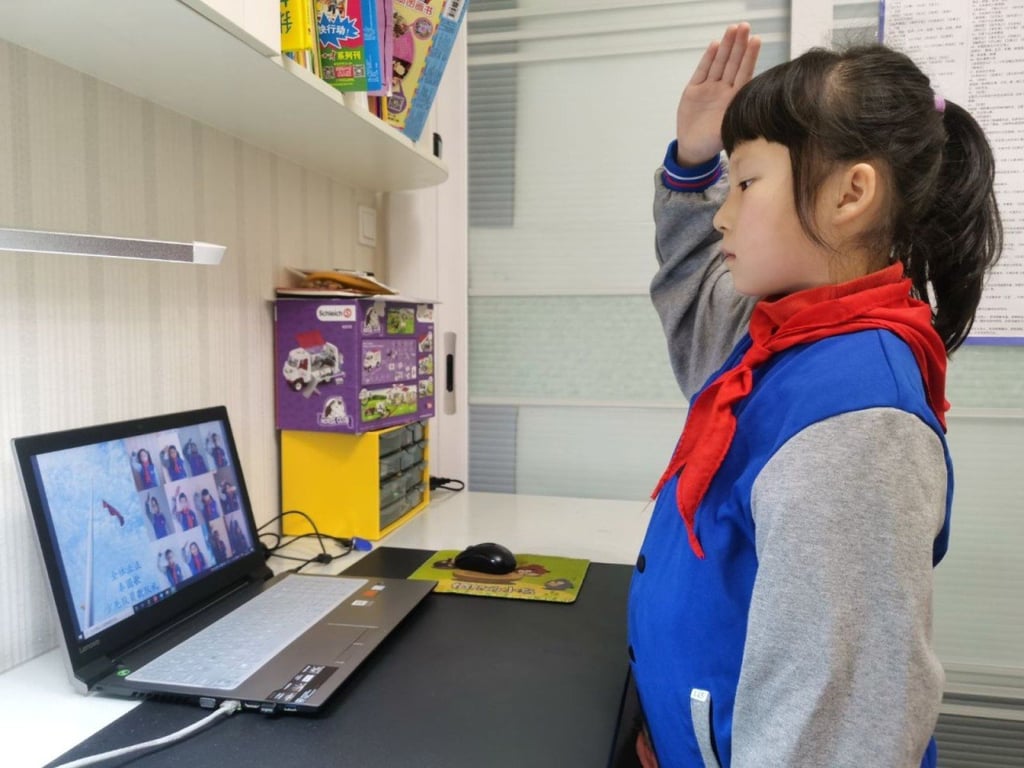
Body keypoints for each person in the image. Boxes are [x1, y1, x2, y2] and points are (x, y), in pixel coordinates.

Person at [627, 23, 1001, 768]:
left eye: (745, 183)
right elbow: (696, 288)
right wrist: (699, 161)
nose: (724, 214)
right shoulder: (788, 337)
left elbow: (838, 733)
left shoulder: (858, 428)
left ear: (850, 194)